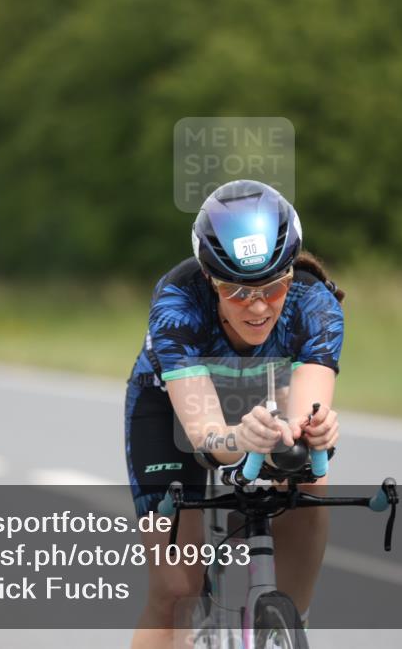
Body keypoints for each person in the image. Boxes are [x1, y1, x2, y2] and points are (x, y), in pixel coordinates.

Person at [125, 180, 345, 648]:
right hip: (171, 405)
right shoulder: (177, 302)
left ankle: (290, 623)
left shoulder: (315, 304)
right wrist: (240, 440)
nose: (260, 306)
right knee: (176, 589)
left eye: (274, 286)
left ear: (292, 272)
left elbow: (307, 409)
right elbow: (205, 435)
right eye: (238, 291)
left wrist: (316, 427)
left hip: (265, 393)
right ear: (209, 279)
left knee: (305, 467)